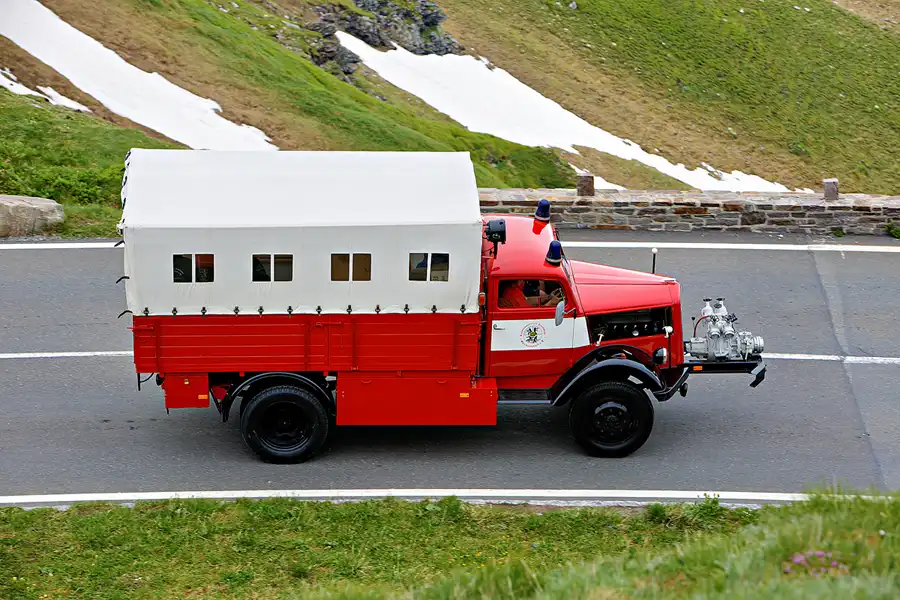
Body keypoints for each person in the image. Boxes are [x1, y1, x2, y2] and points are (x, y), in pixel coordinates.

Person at [499, 280, 563, 308]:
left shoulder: (512, 289)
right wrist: (551, 303)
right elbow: (532, 315)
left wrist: (548, 297)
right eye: (521, 280)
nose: (523, 282)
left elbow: (527, 300)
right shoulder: (514, 294)